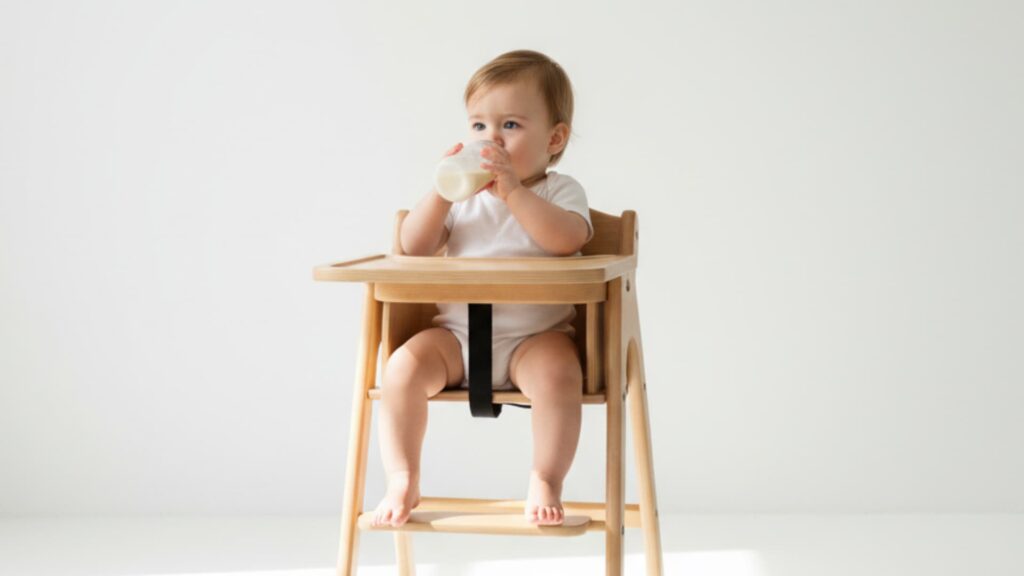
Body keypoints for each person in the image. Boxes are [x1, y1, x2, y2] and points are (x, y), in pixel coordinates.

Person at [371, 49, 593, 528]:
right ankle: (402, 475)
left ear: (554, 139)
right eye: (478, 127)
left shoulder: (558, 192)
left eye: (510, 125)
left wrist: (514, 192)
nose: (490, 140)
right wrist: (440, 191)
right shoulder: (460, 200)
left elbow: (567, 239)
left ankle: (546, 477)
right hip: (456, 340)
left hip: (532, 342)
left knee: (559, 374)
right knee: (402, 368)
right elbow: (411, 248)